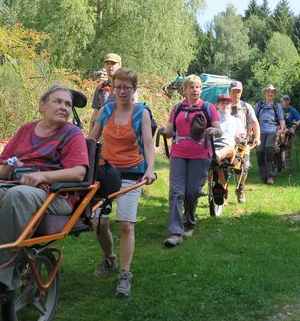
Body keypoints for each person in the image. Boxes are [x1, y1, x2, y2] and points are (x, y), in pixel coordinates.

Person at [0, 85, 89, 298]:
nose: (64, 107)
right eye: (58, 102)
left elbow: (78, 173)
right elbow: (1, 169)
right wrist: (10, 168)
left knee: (17, 196)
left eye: (67, 104)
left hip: (55, 194)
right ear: (42, 105)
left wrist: (42, 176)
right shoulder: (25, 130)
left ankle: (4, 278)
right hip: (16, 184)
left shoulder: (72, 134)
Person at [88, 68, 156, 298]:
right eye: (119, 86)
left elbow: (148, 143)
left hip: (131, 173)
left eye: (127, 86)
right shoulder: (106, 110)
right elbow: (91, 140)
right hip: (106, 173)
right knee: (99, 223)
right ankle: (109, 258)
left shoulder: (142, 113)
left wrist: (150, 169)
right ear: (114, 88)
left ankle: (124, 274)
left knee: (126, 224)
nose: (123, 91)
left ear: (134, 89)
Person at [158, 74, 221, 247]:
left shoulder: (209, 107)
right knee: (176, 192)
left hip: (201, 155)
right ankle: (175, 232)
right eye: (191, 86)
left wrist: (213, 131)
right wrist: (164, 131)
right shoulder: (177, 108)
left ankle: (189, 221)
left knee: (192, 192)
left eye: (198, 87)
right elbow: (171, 132)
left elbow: (219, 130)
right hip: (179, 154)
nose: (195, 89)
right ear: (184, 90)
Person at [228, 80, 260, 203]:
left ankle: (240, 189)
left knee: (243, 168)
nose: (236, 94)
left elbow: (255, 123)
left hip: (242, 143)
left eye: (239, 91)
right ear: (229, 91)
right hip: (226, 142)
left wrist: (257, 137)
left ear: (241, 92)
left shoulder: (246, 107)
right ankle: (222, 193)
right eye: (234, 91)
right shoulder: (223, 105)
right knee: (222, 167)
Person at [254, 84, 285, 185]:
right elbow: (253, 119)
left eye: (272, 92)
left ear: (274, 94)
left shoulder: (277, 106)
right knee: (259, 153)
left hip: (272, 130)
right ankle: (263, 175)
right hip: (260, 131)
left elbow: (281, 120)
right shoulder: (258, 105)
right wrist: (251, 130)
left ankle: (270, 176)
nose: (270, 93)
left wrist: (281, 130)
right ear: (265, 93)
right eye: (268, 92)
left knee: (269, 150)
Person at [89, 53, 122, 131]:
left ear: (120, 65)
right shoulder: (101, 87)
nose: (110, 66)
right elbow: (96, 111)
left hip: (120, 131)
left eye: (113, 63)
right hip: (101, 132)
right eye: (107, 63)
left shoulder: (127, 87)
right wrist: (90, 139)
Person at [213, 93, 245, 162]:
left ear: (230, 106)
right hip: (213, 146)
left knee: (229, 149)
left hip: (228, 148)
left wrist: (239, 140)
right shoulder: (213, 120)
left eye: (227, 103)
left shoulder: (236, 121)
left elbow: (243, 138)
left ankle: (216, 156)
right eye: (223, 103)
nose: (225, 105)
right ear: (217, 105)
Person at [279, 95, 300, 172]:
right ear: (281, 100)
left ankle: (287, 168)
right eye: (284, 100)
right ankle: (278, 165)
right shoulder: (278, 109)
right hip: (279, 131)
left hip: (289, 131)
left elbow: (299, 120)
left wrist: (295, 125)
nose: (286, 101)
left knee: (287, 149)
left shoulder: (292, 110)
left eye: (287, 100)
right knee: (278, 148)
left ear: (289, 101)